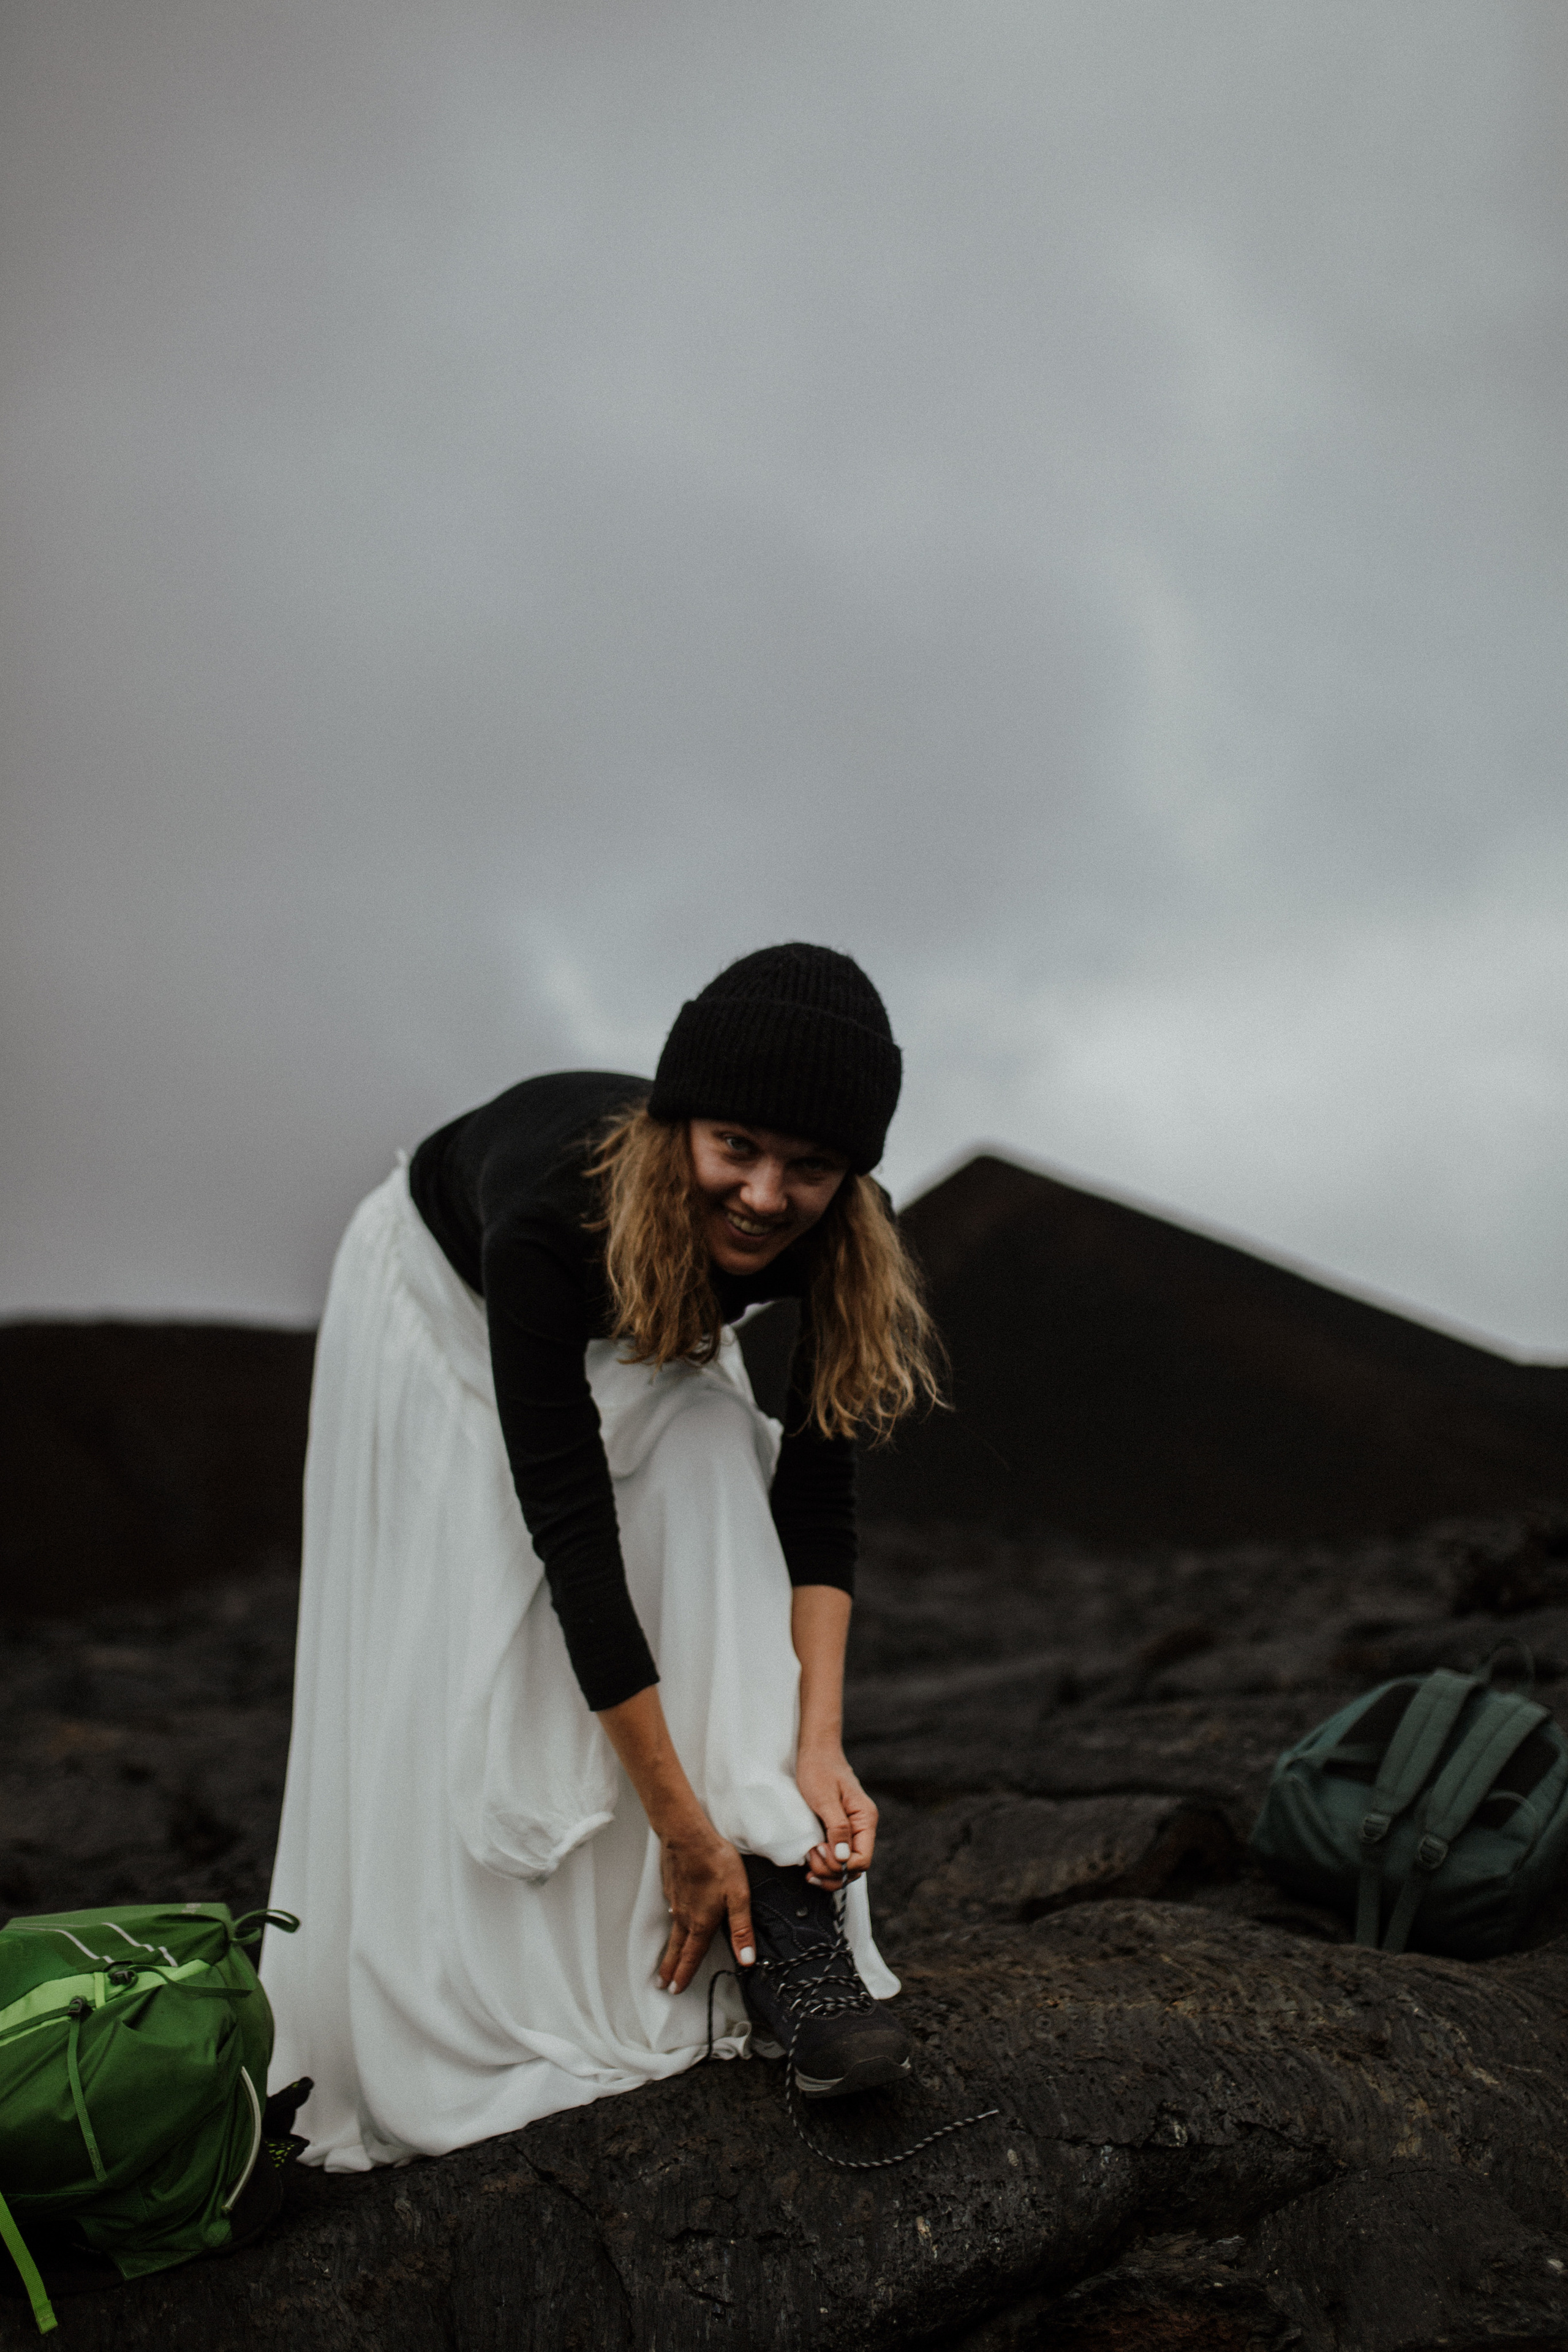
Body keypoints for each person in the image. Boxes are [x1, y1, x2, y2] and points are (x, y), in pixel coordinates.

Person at [262, 943, 942, 2171]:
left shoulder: (843, 1234)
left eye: (809, 1167)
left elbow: (818, 1502)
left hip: (648, 1285)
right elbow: (572, 1533)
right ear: (681, 1123)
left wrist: (818, 1748)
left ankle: (782, 1916)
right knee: (498, 1580)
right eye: (735, 1146)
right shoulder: (548, 1216)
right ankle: (524, 1942)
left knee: (711, 1453)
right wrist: (678, 1825)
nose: (765, 1195)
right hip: (445, 1290)